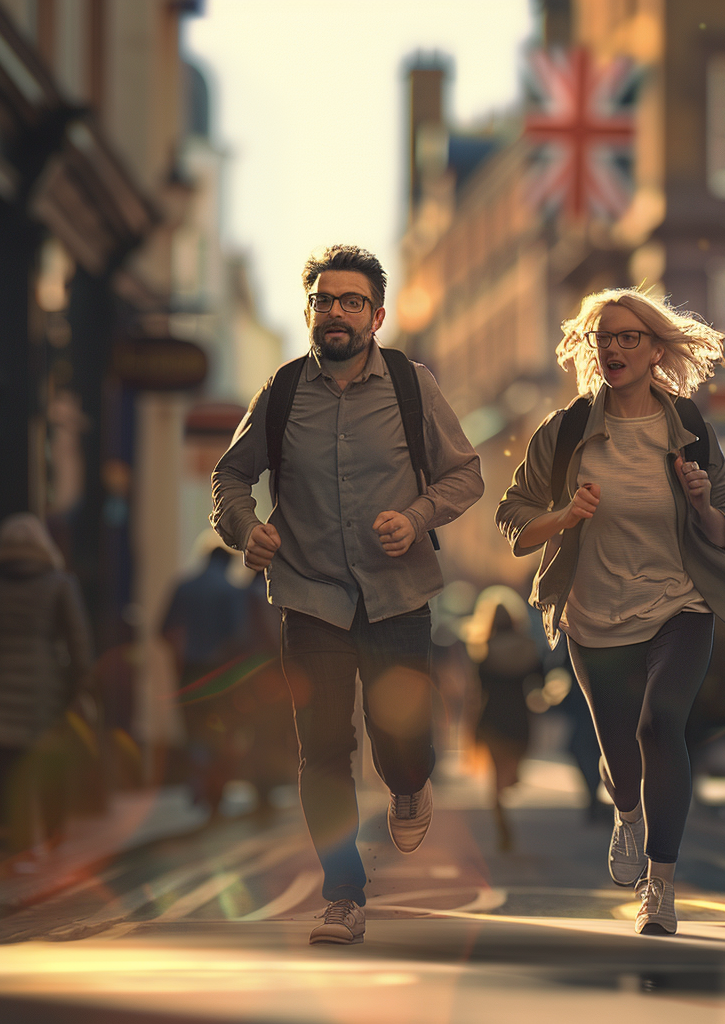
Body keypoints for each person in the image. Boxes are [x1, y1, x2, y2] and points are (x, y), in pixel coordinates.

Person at [211, 244, 483, 945]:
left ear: (377, 315)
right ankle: (343, 896)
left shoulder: (410, 384)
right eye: (325, 300)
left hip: (397, 594)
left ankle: (409, 781)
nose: (337, 312)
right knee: (323, 748)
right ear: (308, 312)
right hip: (309, 596)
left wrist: (417, 517)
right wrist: (248, 531)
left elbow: (464, 476)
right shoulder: (279, 392)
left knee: (401, 739)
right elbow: (229, 479)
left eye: (352, 301)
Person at [496, 286, 725, 936]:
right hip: (595, 617)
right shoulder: (566, 431)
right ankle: (628, 812)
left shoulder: (688, 426)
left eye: (628, 337)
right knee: (620, 755)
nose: (613, 348)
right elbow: (513, 518)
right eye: (603, 338)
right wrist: (562, 515)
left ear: (655, 349)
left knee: (659, 725)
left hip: (681, 607)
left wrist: (701, 503)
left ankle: (660, 888)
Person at [0, 513, 94, 853]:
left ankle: (13, 844)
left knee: (6, 769)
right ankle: (51, 836)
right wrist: (81, 688)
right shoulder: (60, 583)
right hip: (46, 691)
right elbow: (79, 643)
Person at [160, 543, 252, 814]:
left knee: (195, 732)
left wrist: (179, 662)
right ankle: (215, 795)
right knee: (222, 735)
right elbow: (239, 638)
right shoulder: (230, 591)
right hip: (221, 675)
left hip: (189, 672)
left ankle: (199, 783)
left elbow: (164, 630)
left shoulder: (183, 586)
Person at [467, 586, 543, 851]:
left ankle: (501, 821)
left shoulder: (484, 653)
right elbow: (540, 682)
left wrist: (471, 730)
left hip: (492, 720)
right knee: (510, 768)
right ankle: (512, 776)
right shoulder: (528, 649)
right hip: (519, 719)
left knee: (495, 778)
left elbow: (477, 693)